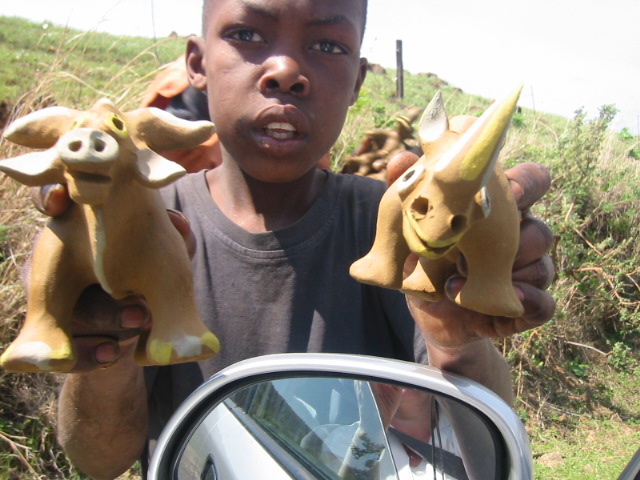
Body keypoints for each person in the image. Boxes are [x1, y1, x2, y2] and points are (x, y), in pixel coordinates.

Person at [32, 1, 555, 478]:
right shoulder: (154, 227)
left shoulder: (397, 229)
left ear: (356, 82)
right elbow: (99, 461)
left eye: (327, 45)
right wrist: (107, 349)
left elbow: (488, 456)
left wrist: (458, 339)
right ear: (197, 62)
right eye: (246, 34)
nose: (285, 71)